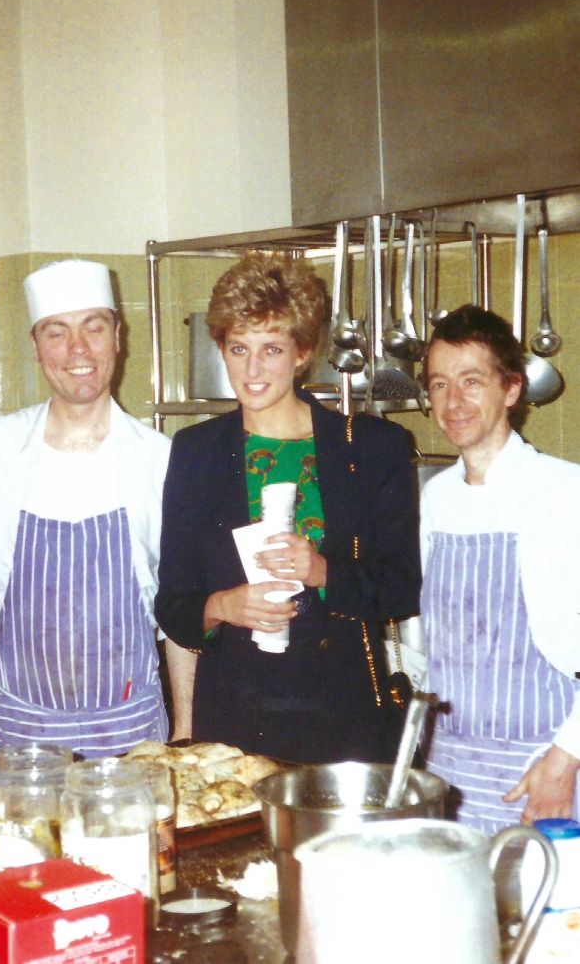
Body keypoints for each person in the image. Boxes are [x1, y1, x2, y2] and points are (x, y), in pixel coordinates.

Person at [155, 252, 421, 763]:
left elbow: (402, 586)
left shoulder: (370, 447)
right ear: (222, 349)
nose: (252, 370)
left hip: (343, 709)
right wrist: (223, 607)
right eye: (238, 348)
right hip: (235, 713)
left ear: (302, 352)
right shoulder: (197, 451)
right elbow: (174, 603)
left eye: (271, 348)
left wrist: (324, 571)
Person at [0, 259, 172, 775]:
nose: (78, 350)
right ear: (36, 348)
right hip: (24, 740)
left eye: (94, 328)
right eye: (56, 333)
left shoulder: (159, 459)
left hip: (132, 737)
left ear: (118, 338)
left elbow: (184, 619)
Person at [421, 305, 580, 831]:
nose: (454, 402)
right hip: (451, 768)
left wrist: (564, 762)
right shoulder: (434, 498)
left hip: (544, 769)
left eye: (472, 381)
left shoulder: (563, 493)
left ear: (511, 390)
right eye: (440, 385)